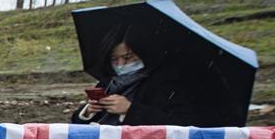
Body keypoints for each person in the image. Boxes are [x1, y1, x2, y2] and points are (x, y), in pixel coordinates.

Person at [71, 25, 209, 127]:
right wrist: (88, 111)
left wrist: (130, 110)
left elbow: (182, 124)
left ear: (143, 53)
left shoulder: (165, 84)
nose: (120, 64)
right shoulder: (108, 83)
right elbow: (77, 123)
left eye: (127, 57)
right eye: (114, 59)